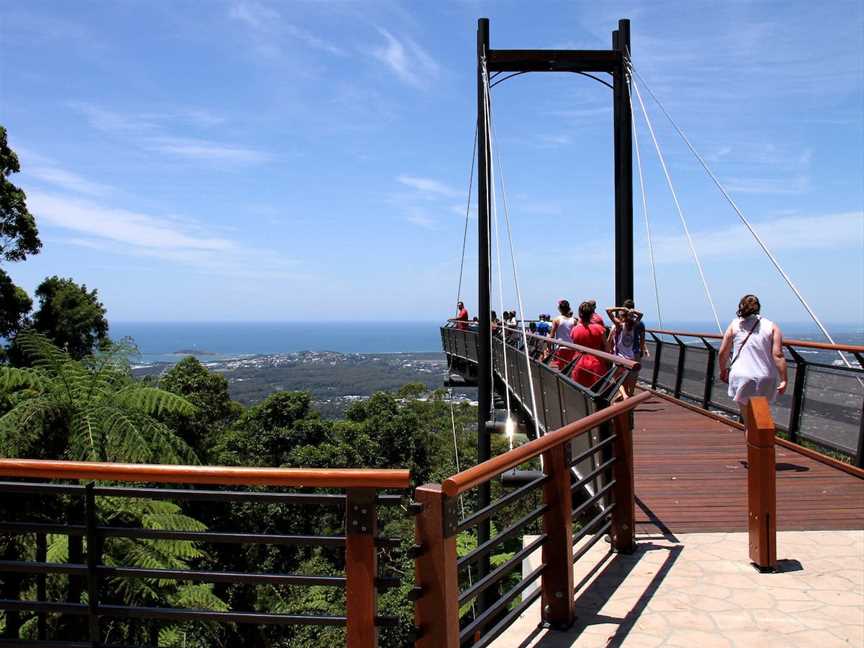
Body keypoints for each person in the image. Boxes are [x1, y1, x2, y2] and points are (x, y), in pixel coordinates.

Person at [719, 294, 787, 418]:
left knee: (749, 421)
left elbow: (723, 351)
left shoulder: (735, 324)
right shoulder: (771, 326)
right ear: (759, 308)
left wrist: (723, 369)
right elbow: (778, 355)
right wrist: (784, 379)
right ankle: (761, 436)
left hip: (742, 377)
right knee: (759, 418)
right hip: (765, 377)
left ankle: (753, 437)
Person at [607, 298, 647, 396]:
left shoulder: (619, 325)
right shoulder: (635, 324)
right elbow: (642, 337)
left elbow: (608, 310)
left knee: (618, 376)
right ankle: (631, 393)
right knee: (633, 375)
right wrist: (642, 349)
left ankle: (623, 395)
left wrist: (621, 308)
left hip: (619, 356)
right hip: (633, 354)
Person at [570, 301, 610, 388]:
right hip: (597, 364)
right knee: (597, 392)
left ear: (580, 314)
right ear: (592, 314)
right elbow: (607, 349)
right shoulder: (600, 329)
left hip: (579, 363)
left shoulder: (574, 330)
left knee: (579, 392)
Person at [548, 300, 577, 370]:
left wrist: (549, 348)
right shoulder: (574, 321)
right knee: (570, 369)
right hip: (572, 348)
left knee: (561, 369)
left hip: (561, 348)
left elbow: (551, 336)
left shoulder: (556, 320)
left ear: (559, 308)